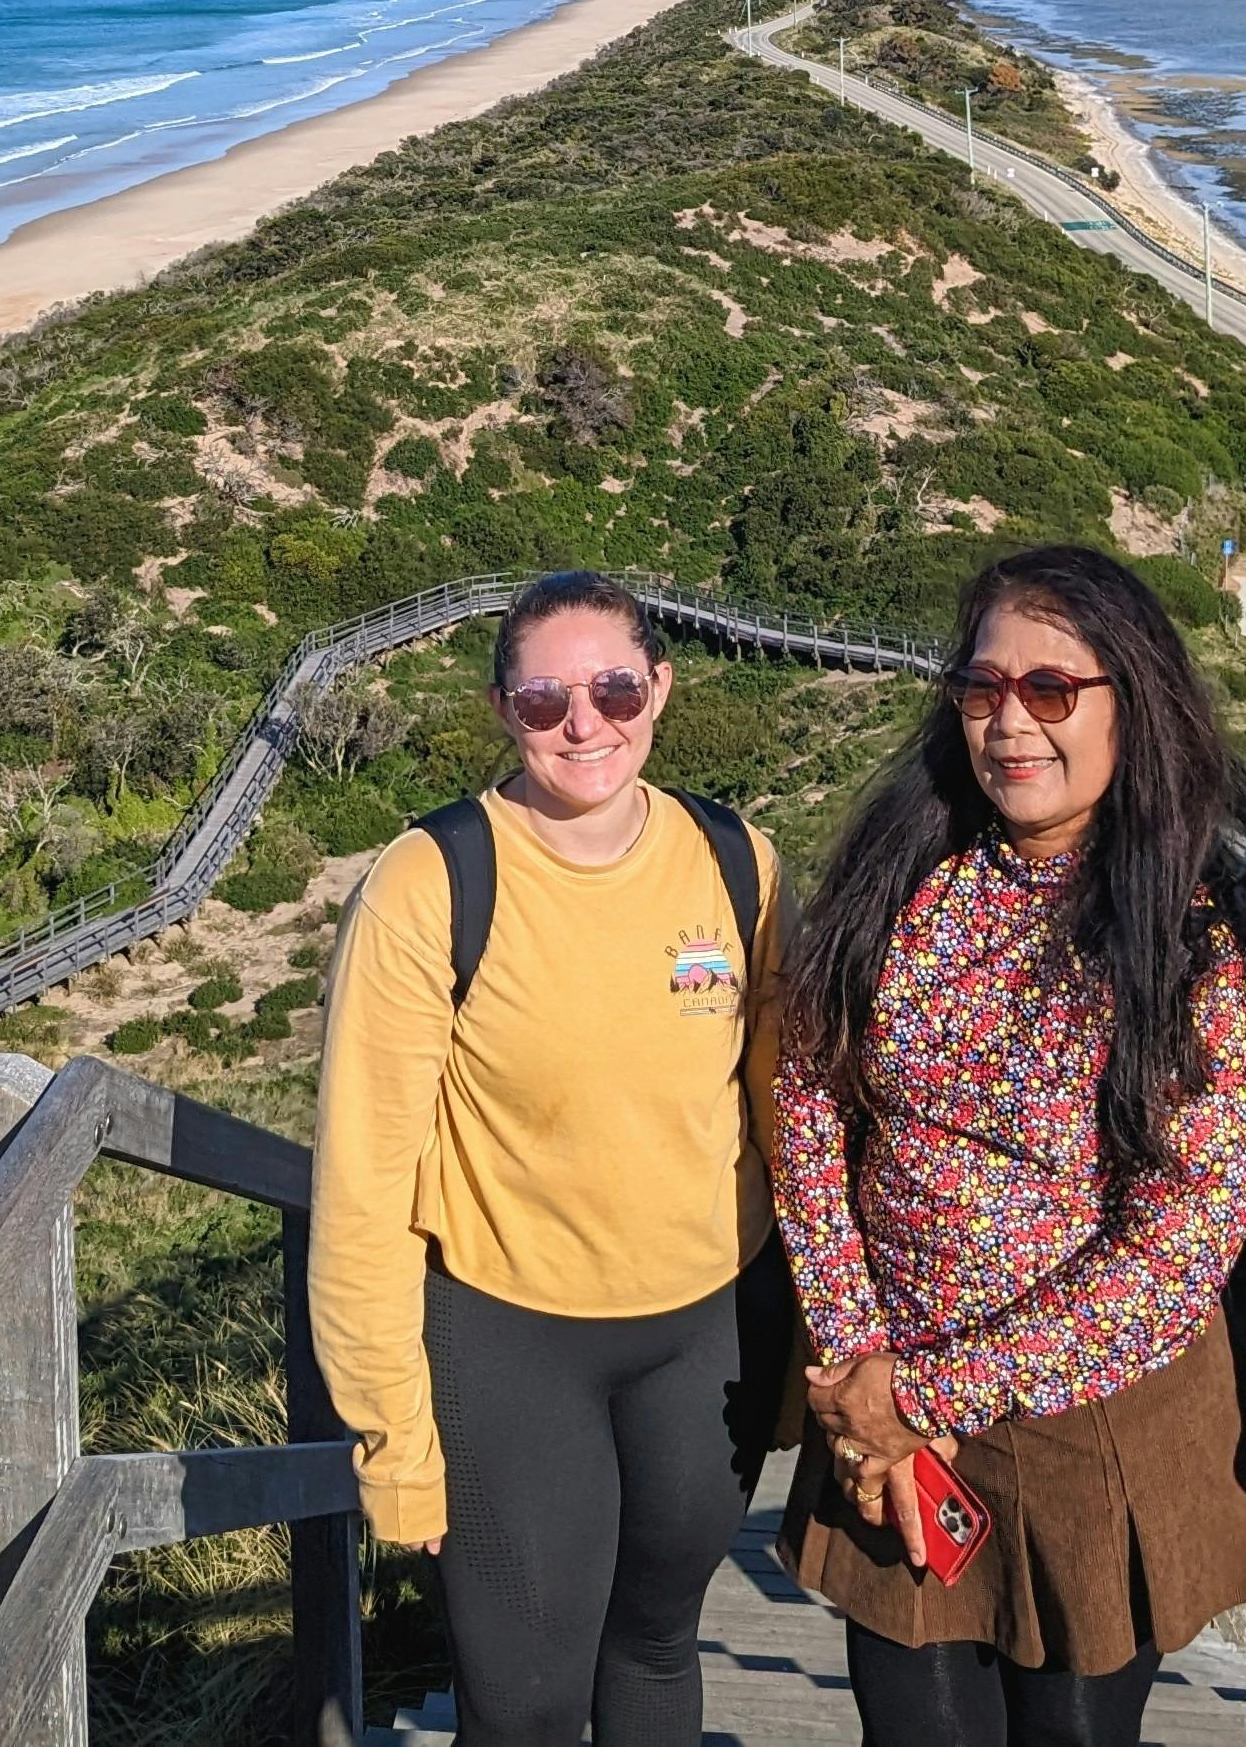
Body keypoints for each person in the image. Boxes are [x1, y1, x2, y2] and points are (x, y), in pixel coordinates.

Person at [771, 545, 1246, 1747]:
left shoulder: (1187, 941)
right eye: (983, 688)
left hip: (1086, 1423)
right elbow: (809, 1109)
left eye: (1053, 691)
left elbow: (1179, 1248)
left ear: (1135, 704)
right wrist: (862, 1373)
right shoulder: (903, 874)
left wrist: (918, 1394)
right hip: (891, 1416)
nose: (1011, 725)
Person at [308, 570, 788, 1747]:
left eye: (618, 688)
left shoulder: (739, 866)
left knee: (657, 1652)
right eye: (545, 699)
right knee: (522, 1702)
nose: (587, 723)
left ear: (661, 690)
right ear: (501, 711)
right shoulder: (433, 883)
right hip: (507, 1336)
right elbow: (364, 1189)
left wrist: (823, 1349)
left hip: (707, 1330)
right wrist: (391, 1440)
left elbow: (794, 1124)